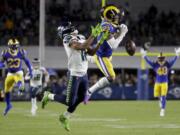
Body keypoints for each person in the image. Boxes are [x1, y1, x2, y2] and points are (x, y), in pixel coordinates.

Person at [41, 22, 107, 131]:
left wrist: (99, 42)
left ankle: (65, 117)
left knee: (81, 97)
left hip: (84, 74)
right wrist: (93, 35)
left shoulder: (81, 37)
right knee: (69, 101)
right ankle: (48, 95)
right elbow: (82, 46)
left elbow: (91, 52)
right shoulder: (67, 39)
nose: (73, 28)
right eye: (69, 28)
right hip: (74, 74)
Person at [84, 4, 129, 103]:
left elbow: (112, 37)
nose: (117, 17)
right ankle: (89, 91)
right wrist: (123, 33)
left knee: (95, 59)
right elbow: (113, 45)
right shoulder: (106, 26)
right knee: (111, 77)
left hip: (106, 54)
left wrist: (119, 31)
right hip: (102, 56)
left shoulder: (108, 24)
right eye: (115, 15)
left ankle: (88, 58)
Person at [140, 48, 180, 116]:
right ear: (158, 59)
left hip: (164, 82)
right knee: (157, 95)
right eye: (160, 58)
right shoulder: (155, 64)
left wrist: (177, 55)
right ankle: (160, 100)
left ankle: (162, 110)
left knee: (163, 96)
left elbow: (173, 60)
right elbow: (148, 61)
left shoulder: (167, 64)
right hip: (157, 82)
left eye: (162, 58)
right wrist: (144, 56)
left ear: (164, 58)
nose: (161, 60)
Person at [0, 38, 32, 116]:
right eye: (13, 46)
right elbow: (0, 63)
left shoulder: (21, 52)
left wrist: (31, 70)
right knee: (7, 91)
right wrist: (1, 65)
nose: (14, 48)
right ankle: (8, 105)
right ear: (9, 46)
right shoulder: (5, 53)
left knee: (19, 79)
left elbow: (27, 61)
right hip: (10, 73)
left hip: (18, 72)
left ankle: (21, 87)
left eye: (16, 46)